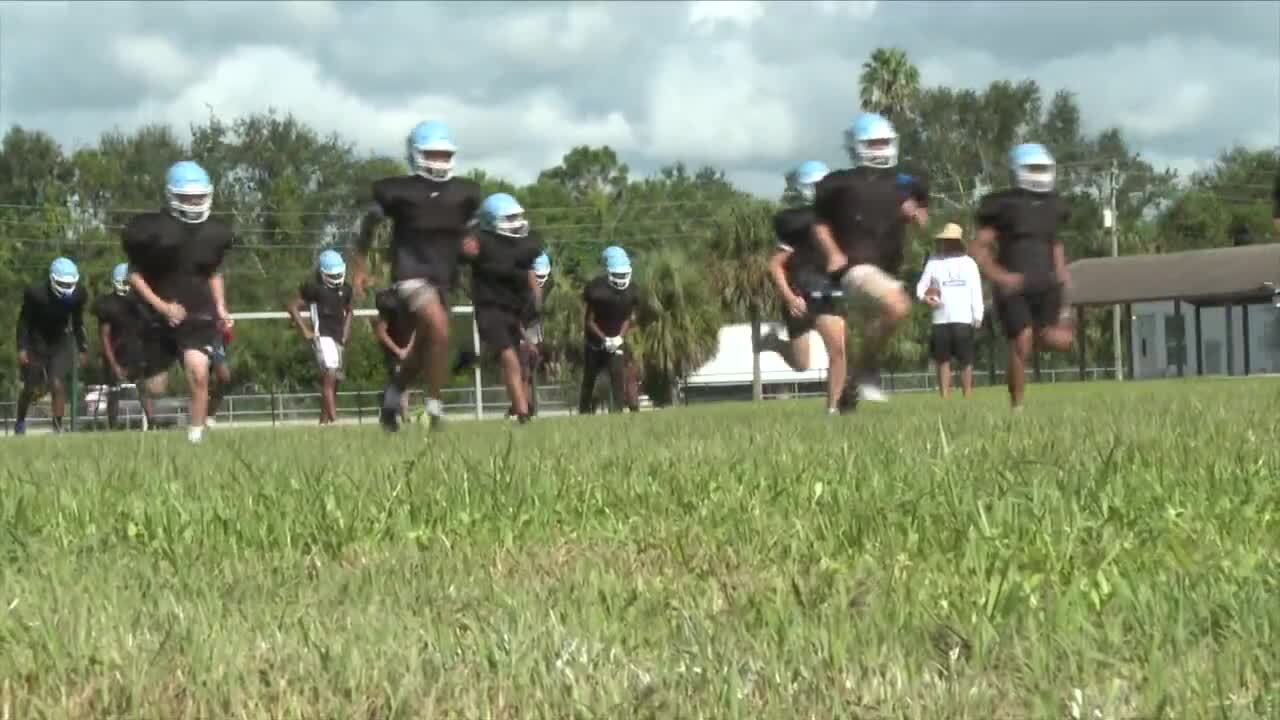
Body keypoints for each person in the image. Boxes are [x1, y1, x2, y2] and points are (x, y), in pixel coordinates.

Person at [350, 120, 482, 433]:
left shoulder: (465, 193)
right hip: (410, 274)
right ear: (416, 154)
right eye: (432, 154)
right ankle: (434, 409)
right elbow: (365, 226)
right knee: (439, 328)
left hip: (443, 278)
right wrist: (358, 266)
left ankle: (394, 394)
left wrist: (472, 243)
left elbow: (472, 232)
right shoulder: (399, 191)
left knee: (426, 346)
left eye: (443, 154)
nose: (439, 161)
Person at [811, 112, 929, 411]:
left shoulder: (905, 183)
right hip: (855, 268)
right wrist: (834, 253)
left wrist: (916, 215)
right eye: (873, 143)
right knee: (898, 306)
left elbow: (923, 215)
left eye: (884, 143)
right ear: (858, 146)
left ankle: (854, 383)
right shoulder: (838, 183)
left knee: (887, 316)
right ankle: (865, 371)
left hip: (888, 269)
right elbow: (819, 224)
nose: (880, 149)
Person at [122, 159, 233, 444]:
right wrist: (162, 306)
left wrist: (220, 306)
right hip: (156, 316)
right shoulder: (152, 231)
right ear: (172, 196)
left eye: (199, 196)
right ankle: (153, 415)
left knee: (198, 372)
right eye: (188, 197)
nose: (194, 202)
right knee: (156, 387)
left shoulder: (214, 233)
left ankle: (195, 439)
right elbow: (132, 274)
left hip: (197, 312)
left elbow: (213, 271)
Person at [969, 142, 1075, 412]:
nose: (1038, 174)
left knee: (1061, 341)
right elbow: (978, 247)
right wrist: (1001, 277)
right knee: (1021, 339)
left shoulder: (1054, 206)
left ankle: (1031, 343)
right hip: (1015, 287)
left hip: (1046, 284)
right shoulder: (1004, 206)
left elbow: (1056, 245)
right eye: (1033, 168)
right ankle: (1017, 407)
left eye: (1042, 168)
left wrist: (1062, 277)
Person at [759, 159, 849, 415]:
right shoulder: (795, 222)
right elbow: (775, 265)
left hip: (827, 292)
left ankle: (832, 409)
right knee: (801, 364)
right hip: (799, 294)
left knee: (838, 350)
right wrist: (788, 297)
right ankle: (776, 344)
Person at [459, 193, 543, 423]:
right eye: (509, 217)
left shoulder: (524, 245)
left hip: (513, 310)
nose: (515, 221)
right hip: (489, 309)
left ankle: (517, 407)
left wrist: (534, 304)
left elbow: (529, 274)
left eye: (517, 216)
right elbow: (463, 250)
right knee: (508, 355)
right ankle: (523, 413)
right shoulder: (479, 240)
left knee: (514, 359)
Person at [14, 257, 88, 435]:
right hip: (36, 341)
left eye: (69, 284)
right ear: (52, 279)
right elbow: (24, 322)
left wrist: (82, 348)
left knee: (57, 383)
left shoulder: (79, 294)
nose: (66, 288)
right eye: (61, 283)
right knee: (30, 387)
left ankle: (57, 426)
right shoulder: (35, 293)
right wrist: (22, 347)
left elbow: (77, 322)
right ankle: (20, 422)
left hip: (60, 340)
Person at [916, 223, 984, 399]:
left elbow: (976, 290)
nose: (946, 243)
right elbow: (921, 287)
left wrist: (978, 314)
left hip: (963, 318)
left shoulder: (969, 263)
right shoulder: (934, 262)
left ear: (957, 242)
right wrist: (925, 298)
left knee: (966, 360)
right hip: (940, 318)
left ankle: (967, 395)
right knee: (942, 360)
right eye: (944, 240)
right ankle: (944, 397)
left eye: (950, 240)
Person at [287, 249, 354, 426]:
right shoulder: (315, 290)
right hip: (322, 336)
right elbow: (293, 306)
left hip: (338, 338)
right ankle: (335, 421)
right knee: (329, 375)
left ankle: (323, 422)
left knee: (335, 381)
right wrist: (305, 330)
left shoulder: (345, 289)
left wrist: (346, 332)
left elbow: (349, 311)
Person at [92, 262, 157, 429]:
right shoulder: (108, 305)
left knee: (143, 387)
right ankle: (113, 426)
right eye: (126, 282)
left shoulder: (138, 303)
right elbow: (104, 337)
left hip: (134, 350)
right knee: (114, 392)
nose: (129, 286)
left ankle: (153, 423)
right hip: (116, 351)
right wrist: (113, 363)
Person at [578, 246, 640, 415]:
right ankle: (584, 412)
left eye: (623, 274)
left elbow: (628, 317)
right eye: (617, 274)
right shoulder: (596, 290)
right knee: (589, 379)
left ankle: (618, 413)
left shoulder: (632, 291)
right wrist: (604, 339)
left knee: (618, 377)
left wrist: (619, 338)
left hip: (615, 340)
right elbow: (589, 321)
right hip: (595, 343)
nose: (621, 278)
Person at [373, 287, 417, 422]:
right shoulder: (391, 304)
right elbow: (381, 332)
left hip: (407, 349)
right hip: (393, 349)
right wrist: (398, 350)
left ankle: (399, 411)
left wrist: (408, 348)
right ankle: (402, 414)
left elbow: (416, 329)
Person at [520, 251, 553, 417]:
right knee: (523, 373)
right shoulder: (520, 291)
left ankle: (526, 406)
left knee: (531, 373)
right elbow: (515, 320)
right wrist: (528, 341)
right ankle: (523, 408)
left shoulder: (546, 290)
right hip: (519, 332)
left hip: (533, 331)